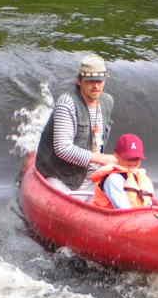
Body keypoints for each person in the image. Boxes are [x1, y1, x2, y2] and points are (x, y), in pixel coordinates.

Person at [35, 53, 117, 199]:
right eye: (90, 81)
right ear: (79, 81)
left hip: (92, 173)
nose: (96, 85)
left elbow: (100, 142)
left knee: (123, 183)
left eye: (100, 80)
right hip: (61, 176)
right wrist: (101, 159)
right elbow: (63, 149)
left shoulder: (107, 102)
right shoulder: (67, 104)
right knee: (63, 199)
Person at [90, 133, 156, 209]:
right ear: (116, 155)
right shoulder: (113, 179)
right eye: (128, 158)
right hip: (112, 218)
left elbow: (149, 203)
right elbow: (123, 209)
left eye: (136, 159)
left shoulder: (139, 176)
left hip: (138, 216)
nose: (133, 162)